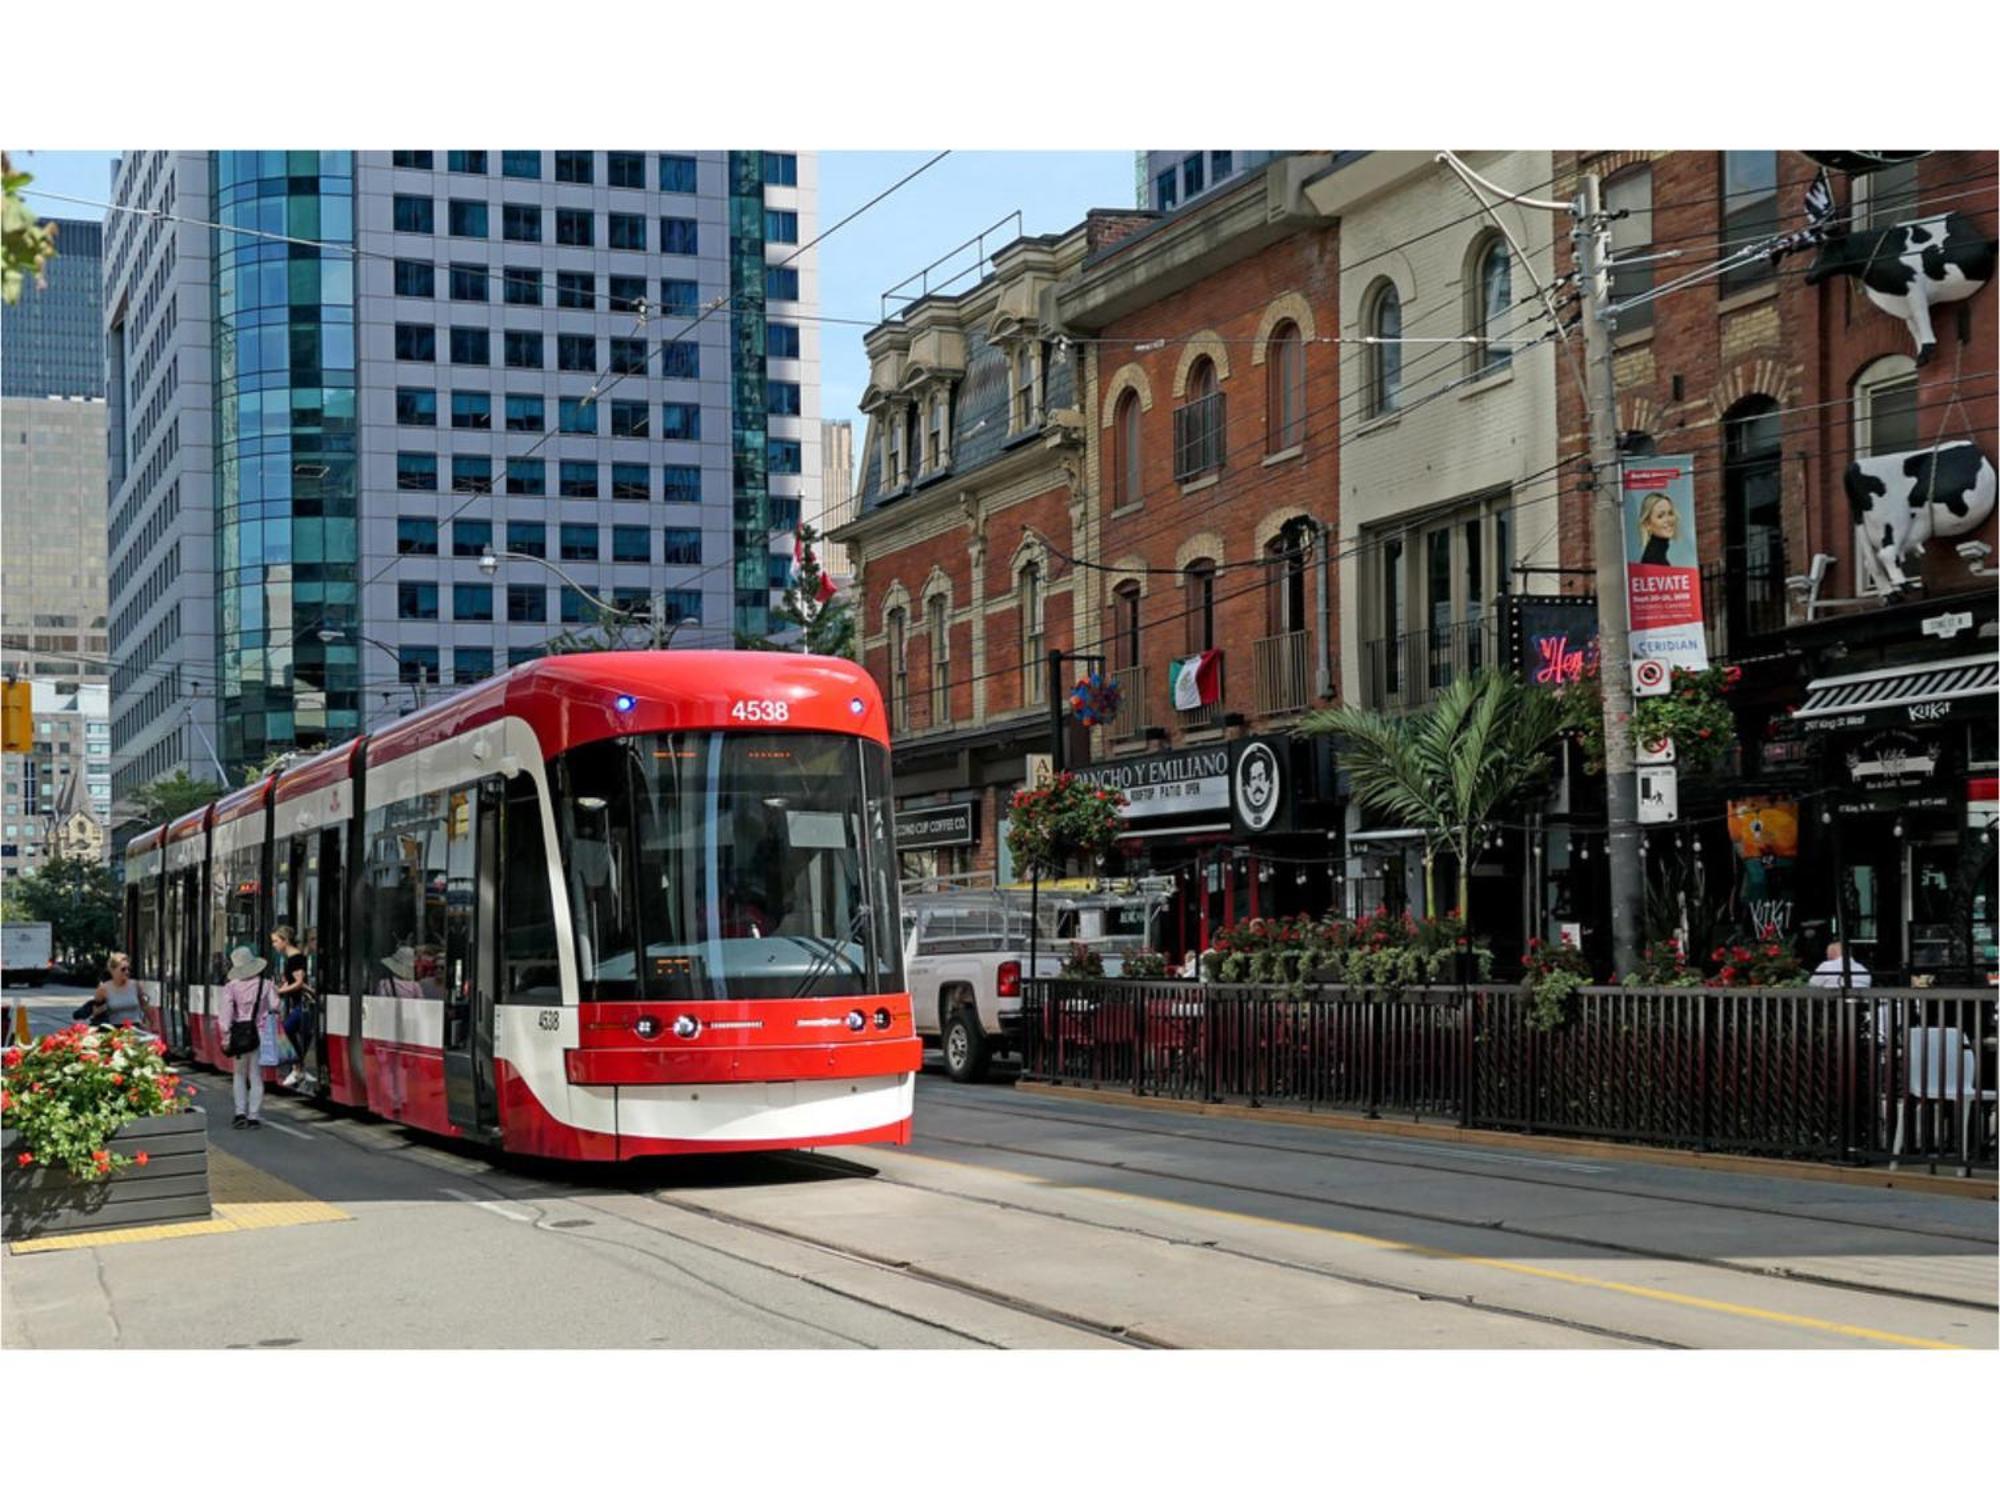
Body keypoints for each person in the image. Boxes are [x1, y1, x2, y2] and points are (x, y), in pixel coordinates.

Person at [216, 945, 275, 1129]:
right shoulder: (266, 985)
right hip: (260, 1034)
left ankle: (240, 1112)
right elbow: (275, 1005)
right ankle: (254, 1115)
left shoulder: (231, 987)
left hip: (239, 1035)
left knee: (239, 1074)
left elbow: (225, 1017)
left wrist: (226, 1038)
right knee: (256, 1075)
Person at [271, 925, 313, 1090]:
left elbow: (299, 982)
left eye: (275, 941)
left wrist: (280, 990)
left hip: (303, 1003)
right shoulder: (292, 958)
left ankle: (298, 1067)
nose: (274, 945)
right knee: (293, 1032)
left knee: (286, 1030)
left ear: (284, 940)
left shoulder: (295, 958)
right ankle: (299, 1068)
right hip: (300, 1003)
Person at [85, 952, 148, 1028]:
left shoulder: (136, 985)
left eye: (129, 969)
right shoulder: (103, 989)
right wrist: (106, 1006)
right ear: (113, 970)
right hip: (115, 1031)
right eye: (123, 969)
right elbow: (95, 1012)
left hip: (136, 1029)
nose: (127, 972)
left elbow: (145, 1006)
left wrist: (149, 1022)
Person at [1634, 491, 1679, 566]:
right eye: (1660, 516)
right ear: (1647, 524)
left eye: (1670, 513)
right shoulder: (1652, 559)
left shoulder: (1659, 554)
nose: (1668, 520)